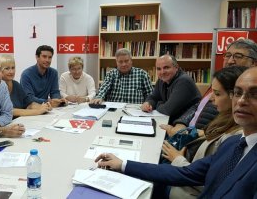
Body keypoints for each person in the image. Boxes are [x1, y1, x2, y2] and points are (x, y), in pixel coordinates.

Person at [95, 66, 257, 198]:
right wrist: (122, 164)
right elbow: (187, 173)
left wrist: (177, 158)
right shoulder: (233, 144)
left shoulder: (234, 139)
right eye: (237, 93)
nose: (241, 101)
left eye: (254, 94)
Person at [161, 66, 246, 198]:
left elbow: (210, 181)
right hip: (186, 169)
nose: (211, 99)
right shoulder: (223, 121)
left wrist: (177, 159)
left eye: (217, 93)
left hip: (187, 188)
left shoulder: (236, 137)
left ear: (234, 96)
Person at [161, 38, 257, 136]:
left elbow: (213, 134)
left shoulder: (240, 101)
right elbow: (198, 105)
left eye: (238, 56)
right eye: (228, 55)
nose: (231, 61)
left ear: (254, 63)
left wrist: (185, 135)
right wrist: (181, 123)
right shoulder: (220, 80)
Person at [141, 54, 201, 123]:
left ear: (176, 67)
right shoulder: (162, 80)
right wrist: (148, 103)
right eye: (159, 69)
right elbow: (153, 97)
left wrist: (158, 103)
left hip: (186, 125)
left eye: (166, 67)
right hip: (172, 120)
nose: (162, 72)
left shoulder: (184, 81)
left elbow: (168, 110)